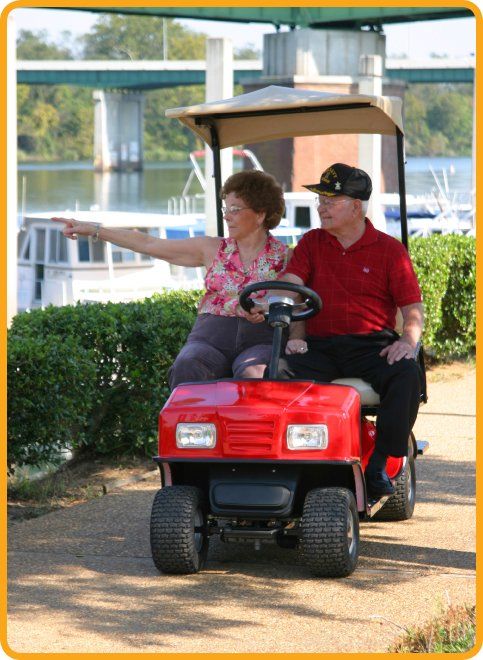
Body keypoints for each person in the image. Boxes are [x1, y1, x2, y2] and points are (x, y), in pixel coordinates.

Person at [250, 163, 424, 498]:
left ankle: (379, 465)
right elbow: (292, 285)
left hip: (370, 347)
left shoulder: (390, 251)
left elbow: (412, 308)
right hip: (320, 347)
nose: (321, 207)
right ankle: (283, 462)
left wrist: (407, 339)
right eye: (321, 200)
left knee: (405, 373)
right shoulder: (312, 243)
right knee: (273, 373)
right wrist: (273, 303)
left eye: (331, 199)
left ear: (356, 207)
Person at [52, 170, 291, 388]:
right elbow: (149, 243)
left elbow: (294, 300)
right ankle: (189, 434)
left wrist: (266, 307)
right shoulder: (211, 249)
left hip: (260, 339)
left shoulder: (286, 256)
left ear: (260, 214)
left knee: (254, 373)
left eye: (235, 209)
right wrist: (95, 230)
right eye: (225, 209)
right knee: (188, 365)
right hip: (212, 337)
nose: (227, 217)